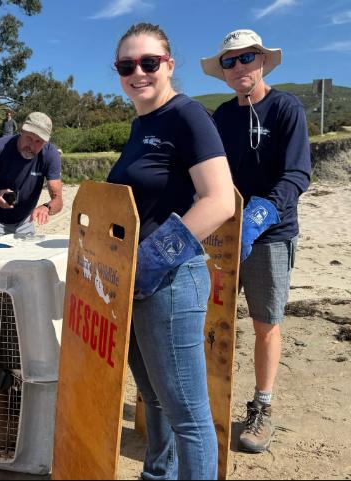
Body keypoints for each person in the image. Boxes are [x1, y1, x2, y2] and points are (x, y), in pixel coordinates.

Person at [107, 23, 236, 479]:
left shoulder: (187, 116)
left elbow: (219, 200)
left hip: (172, 283)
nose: (138, 72)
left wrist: (153, 259)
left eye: (149, 62)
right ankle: (157, 473)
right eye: (127, 65)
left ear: (169, 65)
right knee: (154, 397)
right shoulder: (142, 123)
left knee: (189, 416)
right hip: (135, 285)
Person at [201, 29, 312, 453]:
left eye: (247, 58)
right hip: (223, 235)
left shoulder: (286, 108)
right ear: (223, 73)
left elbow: (299, 173)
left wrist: (264, 211)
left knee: (265, 323)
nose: (238, 67)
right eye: (229, 61)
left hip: (271, 234)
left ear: (262, 61)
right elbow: (209, 174)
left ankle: (262, 408)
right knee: (211, 321)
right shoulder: (221, 118)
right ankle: (208, 399)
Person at [0, 112, 63, 240]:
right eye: (29, 138)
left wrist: (46, 207)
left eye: (38, 141)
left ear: (46, 142)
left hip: (24, 222)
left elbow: (58, 200)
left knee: (23, 260)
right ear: (22, 130)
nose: (31, 145)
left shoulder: (50, 155)